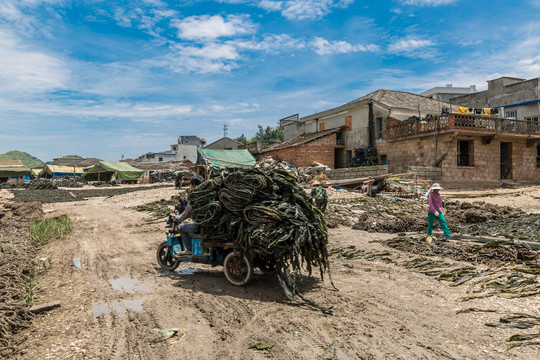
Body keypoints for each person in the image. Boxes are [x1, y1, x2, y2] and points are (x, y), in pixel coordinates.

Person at [171, 176, 204, 256]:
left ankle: (189, 249)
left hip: (200, 225)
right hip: (208, 224)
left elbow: (185, 215)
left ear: (193, 185)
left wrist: (177, 218)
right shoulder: (207, 194)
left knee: (180, 227)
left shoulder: (194, 196)